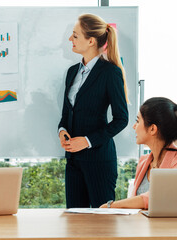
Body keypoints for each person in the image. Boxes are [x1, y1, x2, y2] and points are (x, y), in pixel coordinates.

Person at [58, 13, 129, 208]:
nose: (70, 39)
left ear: (90, 41)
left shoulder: (110, 72)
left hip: (99, 161)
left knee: (103, 224)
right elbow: (66, 114)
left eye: (75, 35)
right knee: (74, 221)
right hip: (73, 160)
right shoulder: (72, 72)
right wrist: (62, 131)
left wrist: (87, 141)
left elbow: (121, 119)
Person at [100, 97, 177, 209]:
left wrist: (110, 205)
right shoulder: (144, 162)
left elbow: (159, 196)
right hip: (140, 225)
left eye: (138, 121)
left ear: (152, 129)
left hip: (169, 226)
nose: (134, 126)